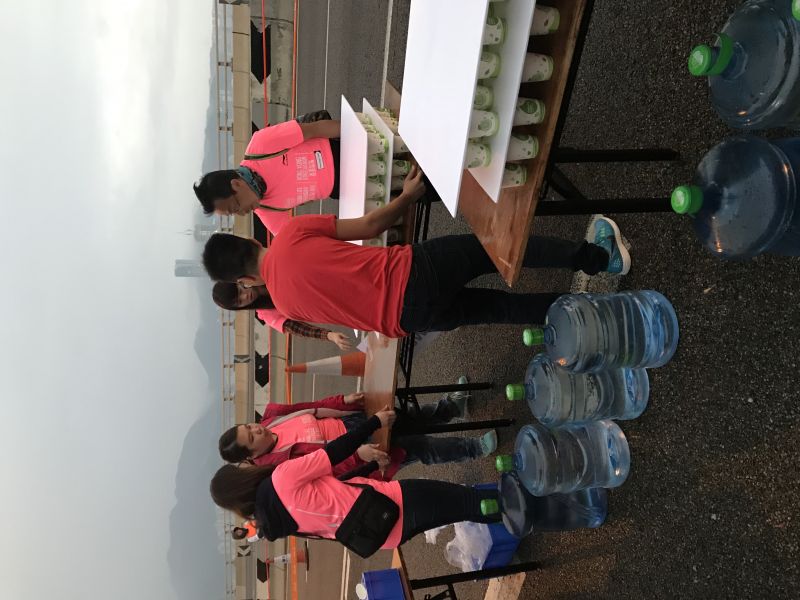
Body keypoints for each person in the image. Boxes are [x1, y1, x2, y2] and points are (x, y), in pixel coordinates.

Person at [201, 165, 631, 337]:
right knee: (496, 252)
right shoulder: (291, 234)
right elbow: (370, 226)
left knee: (501, 309)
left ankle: (595, 315)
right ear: (251, 241)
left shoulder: (287, 306)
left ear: (244, 280)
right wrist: (406, 197)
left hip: (408, 320)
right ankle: (600, 258)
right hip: (414, 271)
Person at [210, 406, 502, 552]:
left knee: (467, 508)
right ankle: (522, 503)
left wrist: (366, 467)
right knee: (469, 501)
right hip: (394, 501)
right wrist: (373, 423)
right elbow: (333, 456)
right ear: (243, 473)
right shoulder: (280, 478)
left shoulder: (277, 521)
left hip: (384, 531)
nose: (256, 430)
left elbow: (332, 495)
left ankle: (513, 509)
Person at [218, 390, 494, 481]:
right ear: (253, 455)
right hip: (356, 451)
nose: (256, 429)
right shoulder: (279, 468)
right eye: (251, 438)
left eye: (248, 426)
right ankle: (473, 449)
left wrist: (343, 401)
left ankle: (451, 408)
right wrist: (358, 455)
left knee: (407, 417)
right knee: (417, 447)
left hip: (353, 422)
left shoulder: (273, 418)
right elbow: (326, 469)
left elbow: (311, 407)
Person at [193, 118, 341, 235]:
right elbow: (291, 240)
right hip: (339, 189)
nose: (242, 213)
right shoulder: (267, 211)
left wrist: (353, 132)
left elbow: (315, 129)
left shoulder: (261, 145)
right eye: (235, 213)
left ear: (236, 184)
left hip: (340, 150)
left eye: (236, 207)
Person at [212, 281, 354, 350]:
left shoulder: (263, 273)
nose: (245, 296)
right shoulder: (266, 314)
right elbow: (297, 328)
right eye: (239, 302)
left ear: (239, 281)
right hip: (335, 308)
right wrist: (330, 335)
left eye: (240, 290)